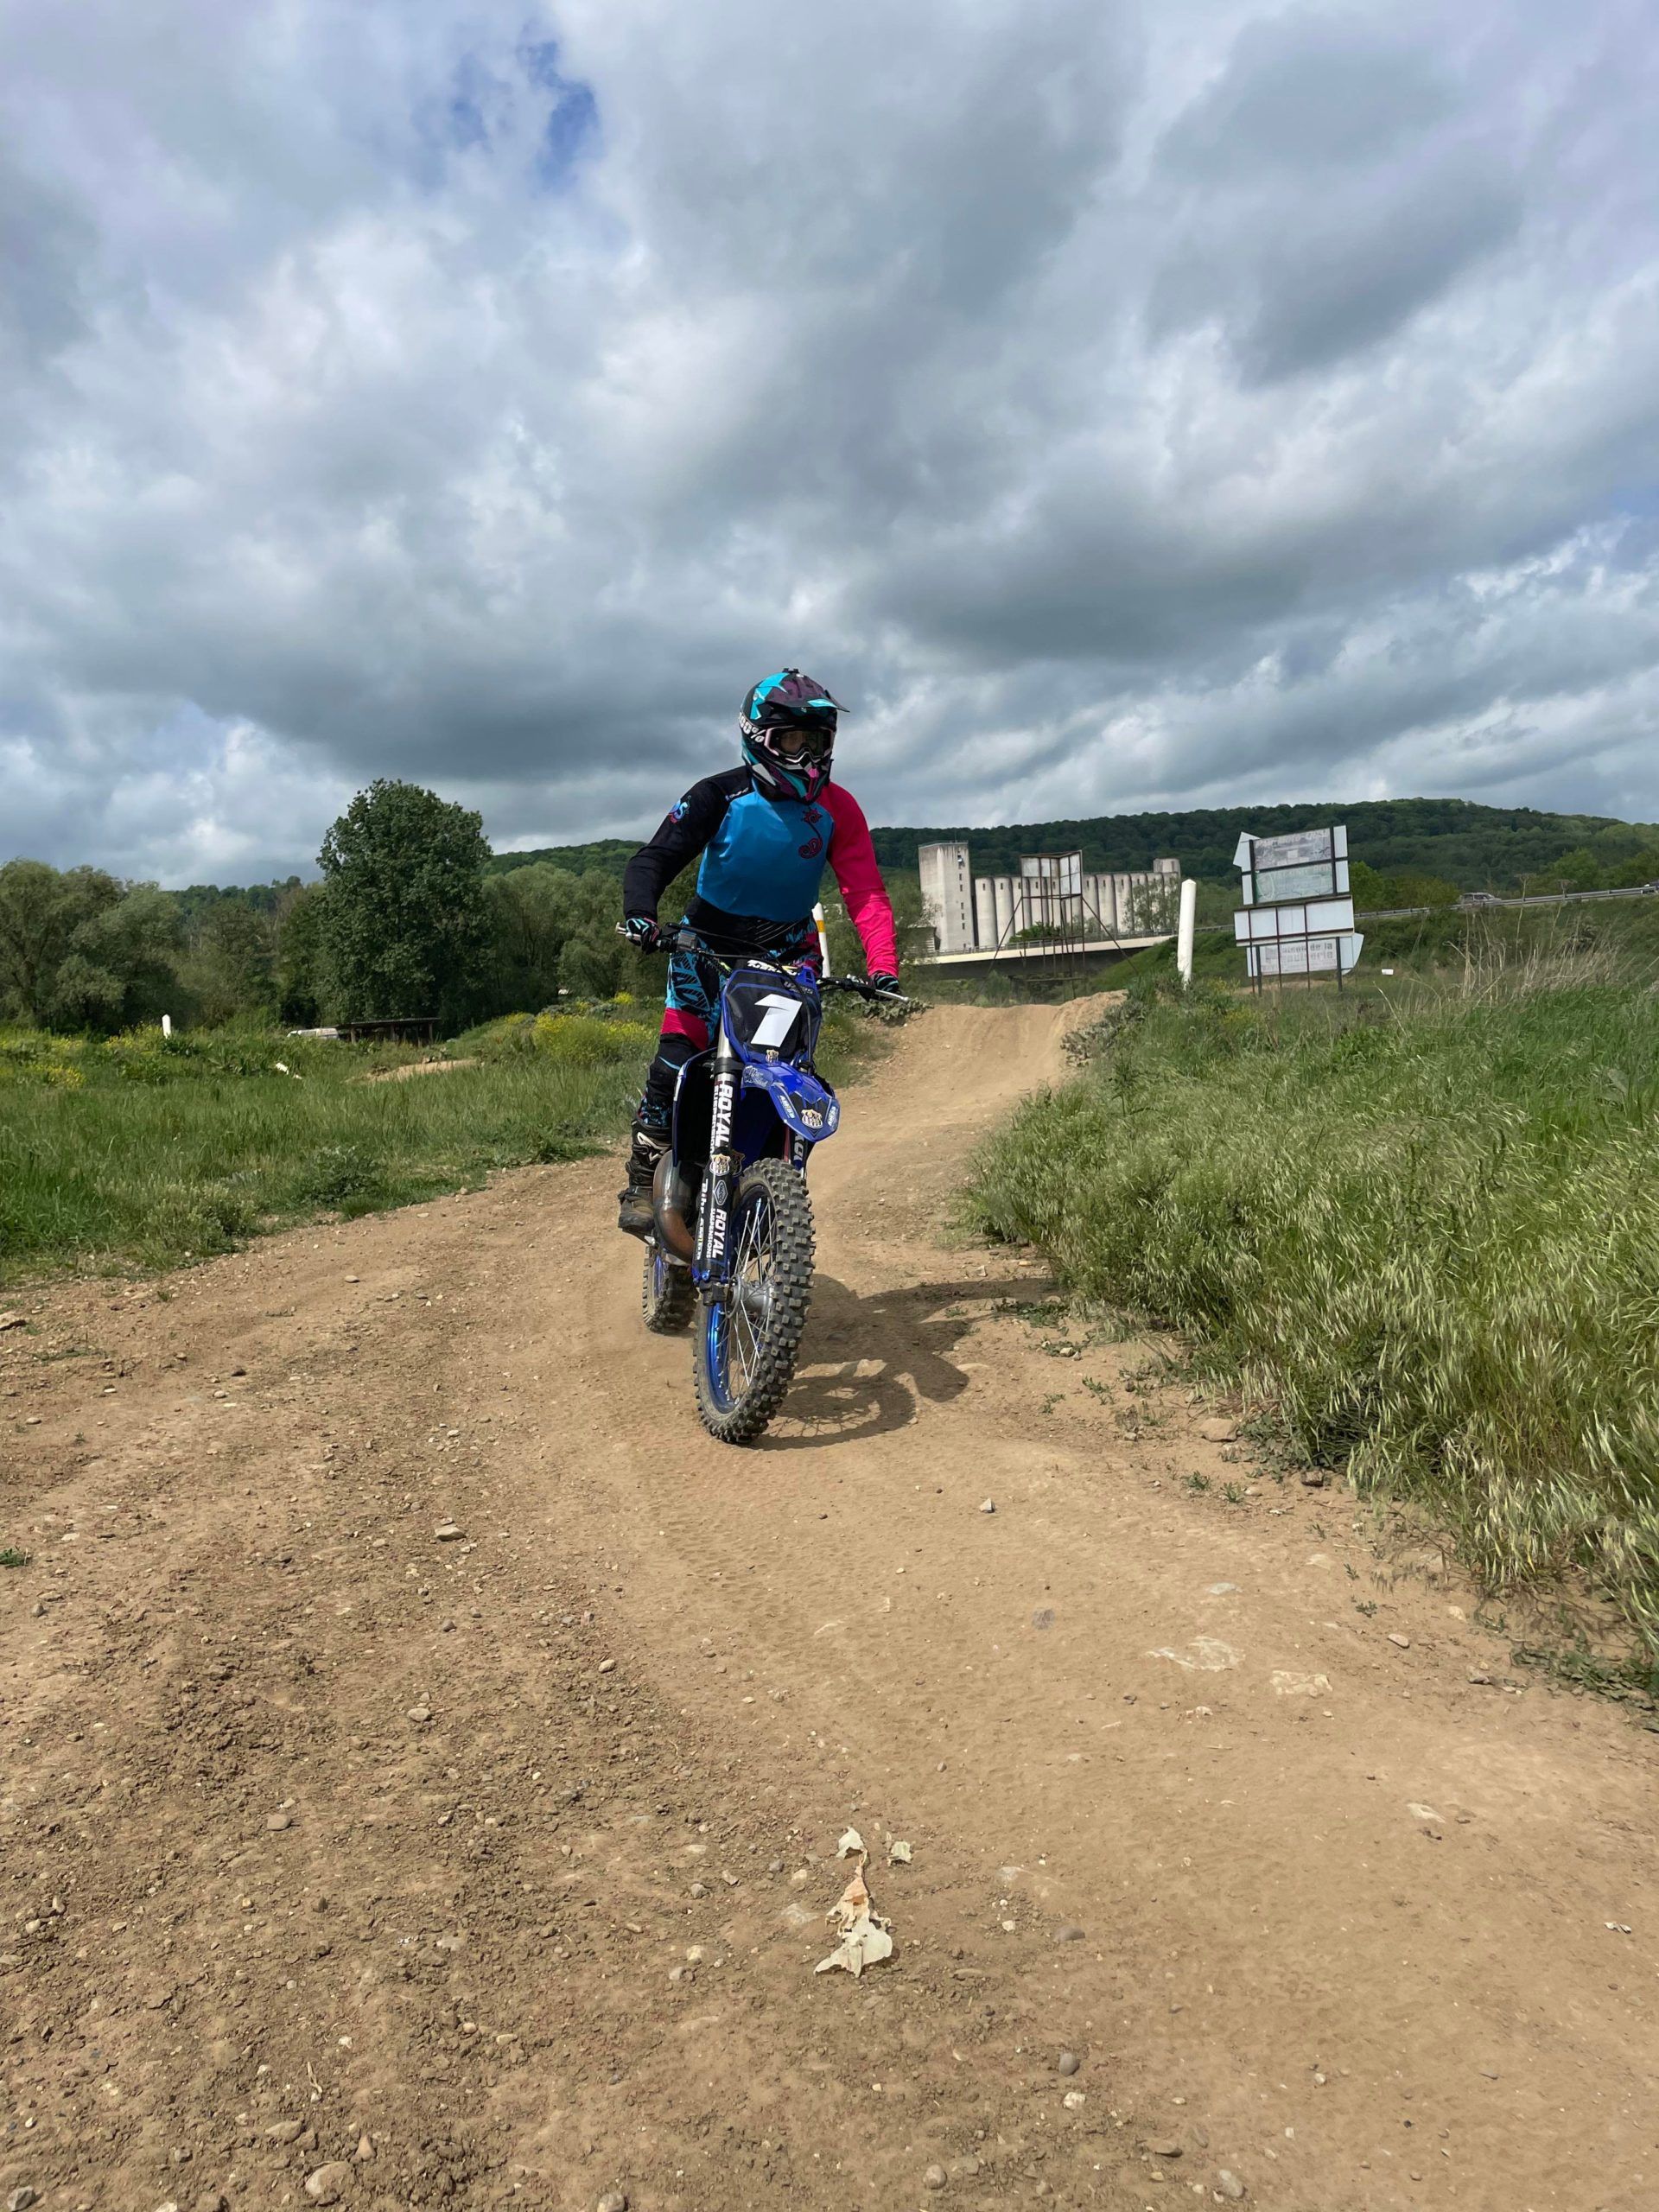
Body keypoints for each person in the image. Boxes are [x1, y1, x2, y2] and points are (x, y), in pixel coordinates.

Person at [615, 668, 899, 1236]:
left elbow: (865, 892)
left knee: (789, 1072)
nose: (808, 756)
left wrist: (883, 967)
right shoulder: (718, 795)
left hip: (790, 947)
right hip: (706, 941)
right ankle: (644, 1178)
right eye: (793, 740)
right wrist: (642, 915)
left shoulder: (839, 808)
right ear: (758, 737)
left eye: (817, 741)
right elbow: (653, 860)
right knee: (678, 1053)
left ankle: (772, 1181)